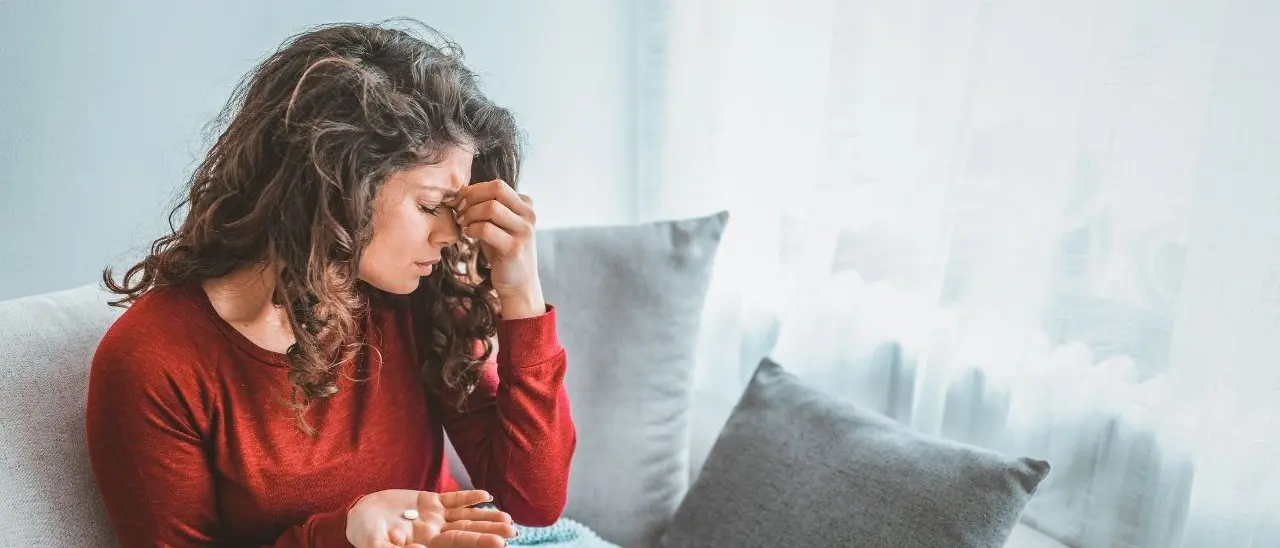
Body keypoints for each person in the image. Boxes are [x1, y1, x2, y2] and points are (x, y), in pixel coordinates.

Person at [85, 20, 576, 548]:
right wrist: (342, 535)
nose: (450, 234)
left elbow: (533, 500)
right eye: (431, 206)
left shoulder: (417, 296)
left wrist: (521, 291)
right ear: (335, 183)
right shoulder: (156, 362)